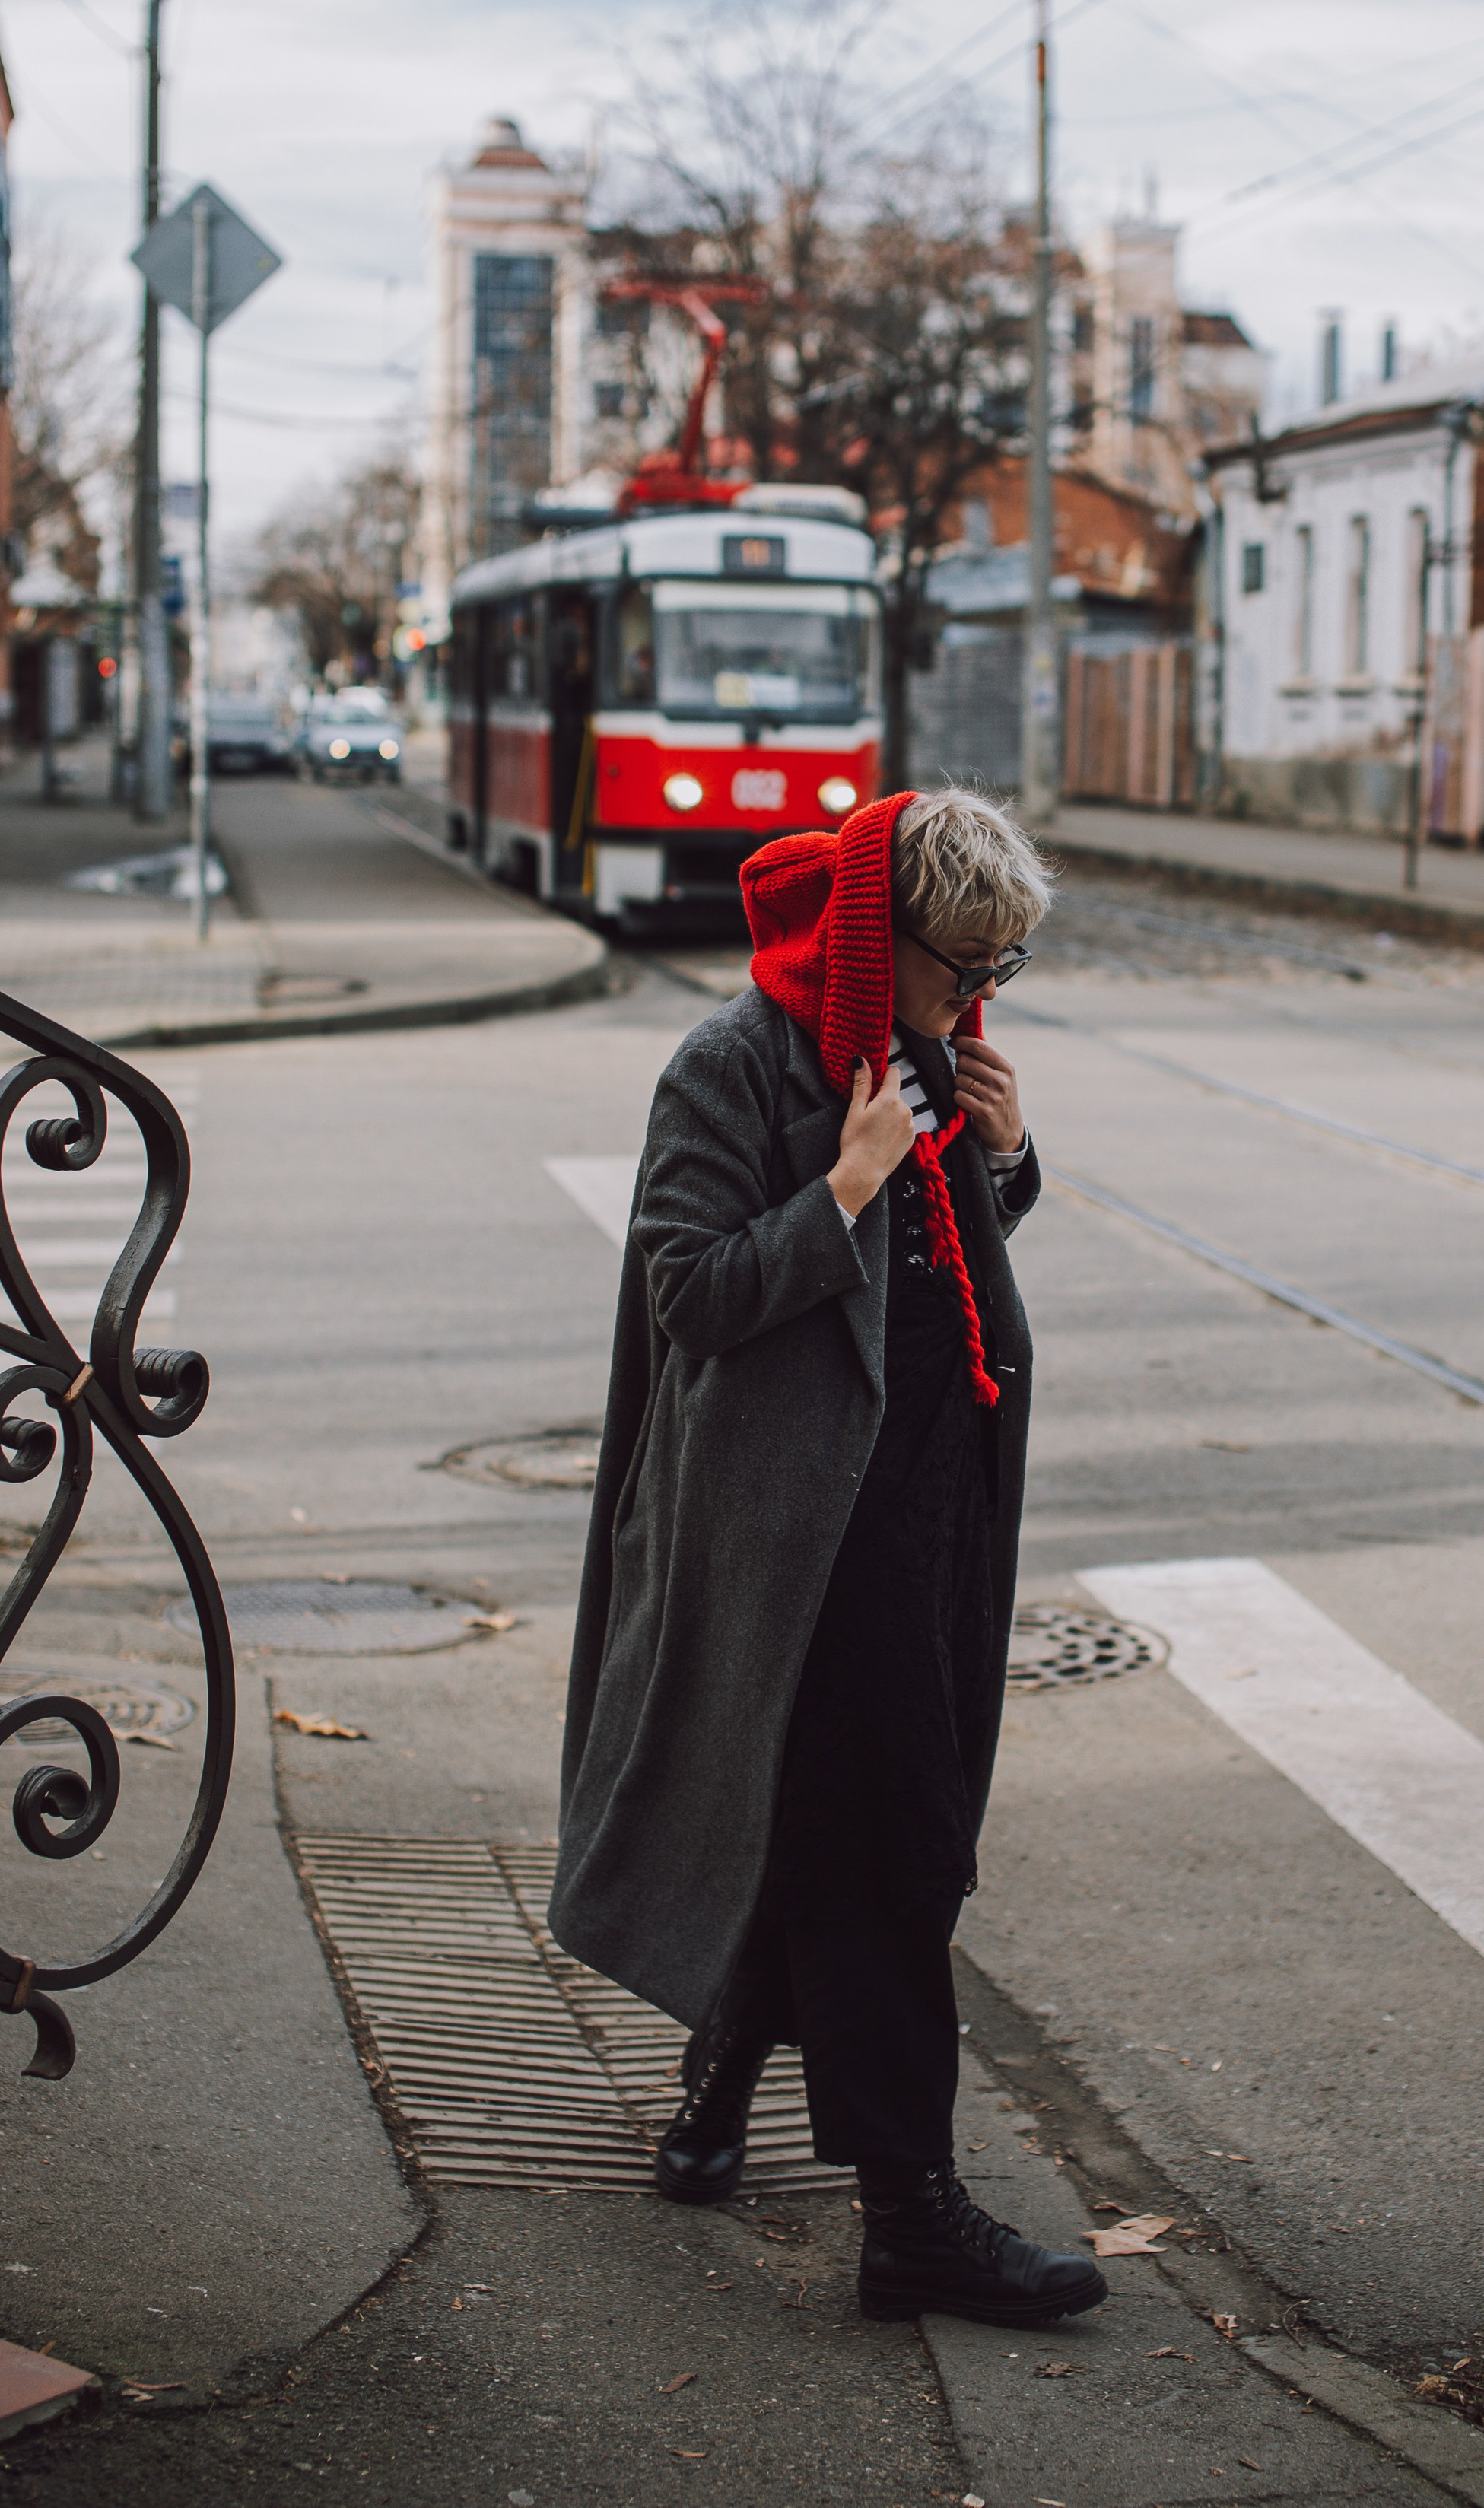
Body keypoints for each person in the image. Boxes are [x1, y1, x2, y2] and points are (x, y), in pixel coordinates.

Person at [551, 786, 1107, 2329]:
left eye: (997, 976)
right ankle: (910, 2213)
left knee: (846, 1832)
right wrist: (844, 1181)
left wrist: (1004, 1155)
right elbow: (691, 1294)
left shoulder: (916, 1049)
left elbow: (936, 1257)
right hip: (798, 1539)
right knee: (891, 1851)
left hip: (924, 1511)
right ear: (883, 937)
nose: (970, 1000)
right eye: (957, 968)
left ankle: (724, 2063)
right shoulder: (730, 1062)